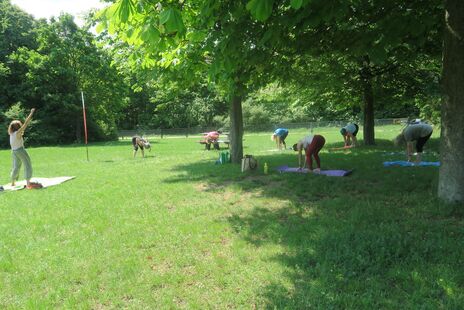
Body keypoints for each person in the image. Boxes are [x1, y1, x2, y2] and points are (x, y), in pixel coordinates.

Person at [8, 108, 42, 189]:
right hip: (20, 150)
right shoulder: (17, 133)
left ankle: (13, 182)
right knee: (27, 165)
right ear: (18, 127)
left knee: (16, 167)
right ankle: (28, 183)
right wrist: (31, 113)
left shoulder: (11, 134)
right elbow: (26, 123)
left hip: (14, 151)